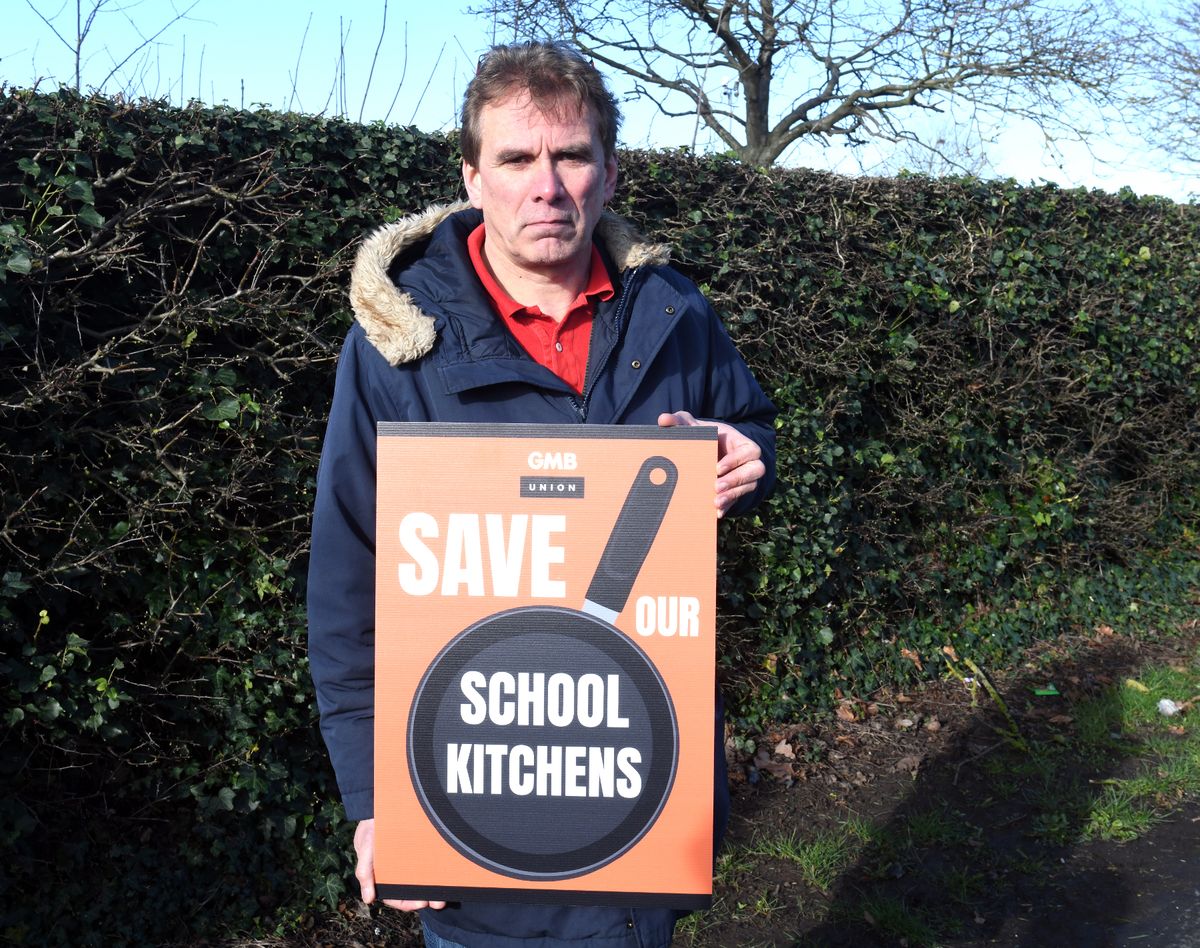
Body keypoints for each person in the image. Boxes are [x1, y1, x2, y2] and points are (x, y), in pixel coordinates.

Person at [308, 41, 777, 948]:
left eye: (571, 155)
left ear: (609, 171)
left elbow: (749, 430)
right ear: (473, 177)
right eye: (517, 159)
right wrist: (375, 799)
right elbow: (345, 589)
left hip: (635, 790)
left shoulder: (674, 312)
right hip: (473, 819)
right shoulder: (397, 345)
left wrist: (742, 456)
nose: (546, 185)